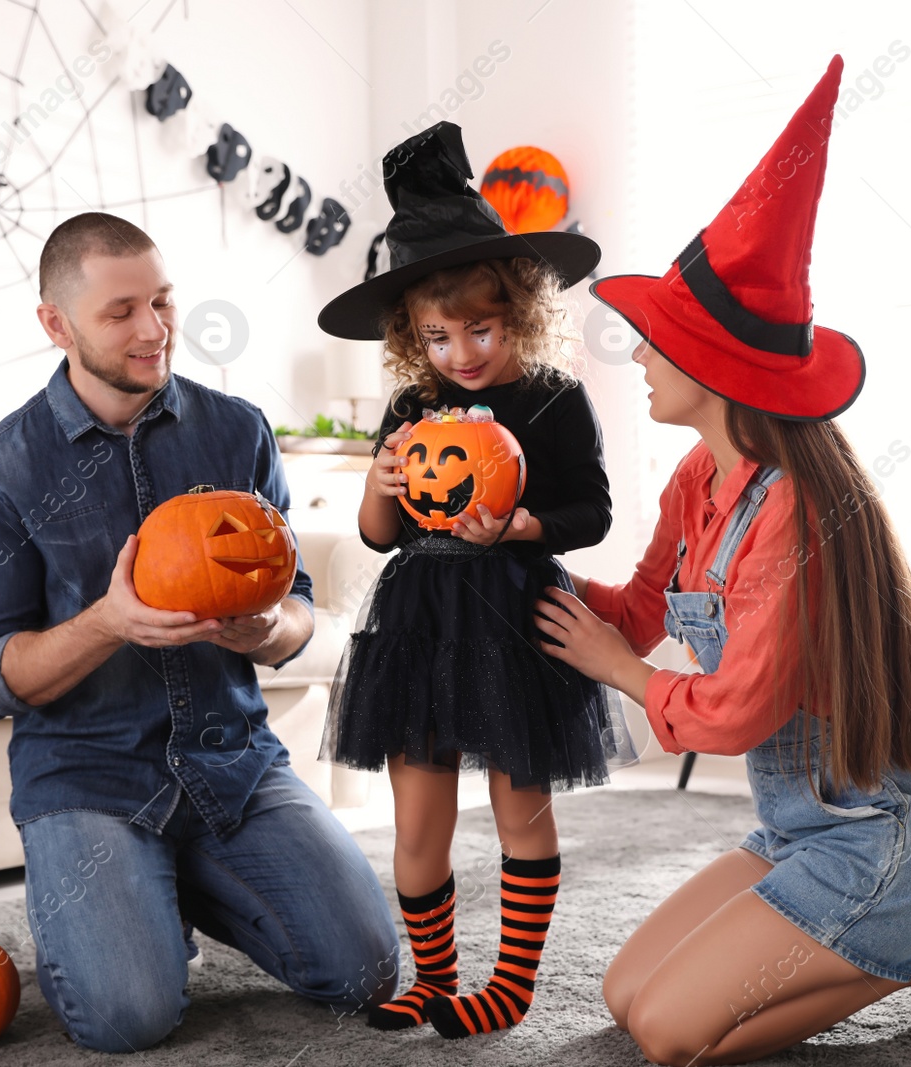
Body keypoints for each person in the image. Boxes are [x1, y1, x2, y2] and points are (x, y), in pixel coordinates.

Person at [531, 57, 911, 1063]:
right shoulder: (697, 479)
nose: (641, 355)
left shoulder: (794, 513)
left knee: (669, 1036)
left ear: (713, 366)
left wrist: (618, 671)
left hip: (888, 837)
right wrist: (522, 560)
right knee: (626, 992)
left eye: (656, 339)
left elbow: (735, 708)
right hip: (805, 829)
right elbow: (641, 607)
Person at [0, 211, 398, 1052]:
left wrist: (266, 630)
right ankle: (117, 891)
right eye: (120, 312)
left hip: (235, 764)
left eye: (163, 301)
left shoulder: (237, 431)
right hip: (90, 775)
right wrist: (107, 623)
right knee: (128, 1017)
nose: (153, 329)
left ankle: (165, 884)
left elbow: (297, 609)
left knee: (368, 971)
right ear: (56, 324)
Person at [317, 121, 632, 1040]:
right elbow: (380, 538)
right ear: (413, 336)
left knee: (519, 806)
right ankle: (433, 974)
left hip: (513, 621)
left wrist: (526, 522)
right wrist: (377, 489)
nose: (461, 352)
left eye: (481, 329)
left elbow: (593, 510)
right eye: (437, 335)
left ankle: (513, 981)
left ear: (522, 311)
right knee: (418, 820)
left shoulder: (552, 398)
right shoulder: (412, 408)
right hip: (419, 623)